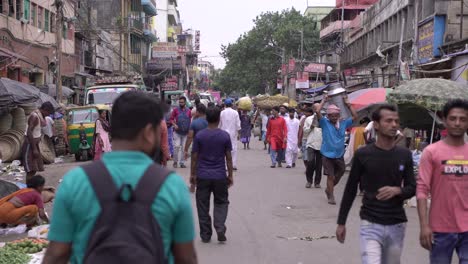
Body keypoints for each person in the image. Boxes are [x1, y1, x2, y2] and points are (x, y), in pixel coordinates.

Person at [44, 92, 197, 264]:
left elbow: (56, 255)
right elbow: (186, 257)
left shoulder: (75, 182)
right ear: (148, 132)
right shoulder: (172, 185)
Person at [335, 104, 415, 263]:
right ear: (376, 125)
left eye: (396, 121)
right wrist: (341, 222)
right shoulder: (363, 154)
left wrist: (398, 191)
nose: (394, 125)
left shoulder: (404, 155)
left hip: (397, 223)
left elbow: (412, 187)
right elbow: (350, 189)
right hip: (370, 223)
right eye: (388, 121)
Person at [417, 99, 468, 264]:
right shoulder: (431, 152)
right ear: (445, 120)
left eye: (463, 119)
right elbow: (422, 189)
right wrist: (424, 226)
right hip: (440, 228)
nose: (457, 123)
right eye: (453, 118)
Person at [190, 106, 233, 243]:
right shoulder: (225, 136)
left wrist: (192, 175)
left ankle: (205, 234)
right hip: (220, 175)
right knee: (221, 202)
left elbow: (194, 157)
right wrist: (230, 175)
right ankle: (219, 226)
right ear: (219, 119)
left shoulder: (200, 136)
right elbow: (229, 158)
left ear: (206, 118)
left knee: (202, 205)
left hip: (202, 175)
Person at [316, 95, 358, 204]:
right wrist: (324, 100)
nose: (334, 118)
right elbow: (317, 111)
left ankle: (329, 189)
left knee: (340, 173)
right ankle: (331, 196)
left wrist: (348, 104)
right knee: (330, 176)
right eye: (332, 116)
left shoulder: (343, 123)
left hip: (339, 155)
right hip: (327, 154)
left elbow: (355, 116)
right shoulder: (324, 123)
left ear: (339, 115)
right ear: (328, 116)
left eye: (336, 116)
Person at [22, 102, 54, 181]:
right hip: (30, 144)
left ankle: (30, 187)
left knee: (34, 168)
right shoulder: (35, 116)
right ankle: (29, 188)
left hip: (34, 144)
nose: (48, 115)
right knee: (30, 169)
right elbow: (29, 132)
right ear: (45, 110)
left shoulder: (39, 116)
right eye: (48, 113)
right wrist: (34, 149)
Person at [219, 98, 241, 171]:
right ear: (232, 105)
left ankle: (225, 166)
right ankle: (233, 165)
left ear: (225, 105)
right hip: (233, 133)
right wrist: (239, 134)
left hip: (223, 133)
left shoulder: (222, 113)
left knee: (223, 149)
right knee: (234, 149)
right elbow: (238, 124)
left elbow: (219, 124)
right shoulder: (235, 113)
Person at [303, 105, 323, 188]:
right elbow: (305, 131)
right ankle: (309, 180)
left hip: (321, 144)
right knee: (310, 162)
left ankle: (317, 182)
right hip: (311, 143)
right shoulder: (308, 119)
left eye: (319, 108)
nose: (317, 109)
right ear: (314, 109)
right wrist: (311, 127)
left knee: (319, 165)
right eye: (316, 108)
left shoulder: (324, 119)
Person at [170, 96, 192, 168]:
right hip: (177, 132)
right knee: (176, 146)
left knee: (183, 148)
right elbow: (171, 119)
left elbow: (190, 121)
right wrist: (174, 124)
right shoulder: (175, 110)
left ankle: (182, 162)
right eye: (179, 102)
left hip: (185, 133)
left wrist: (190, 131)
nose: (180, 103)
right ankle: (175, 162)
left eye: (182, 102)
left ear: (185, 102)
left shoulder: (189, 111)